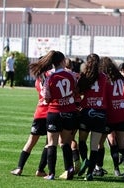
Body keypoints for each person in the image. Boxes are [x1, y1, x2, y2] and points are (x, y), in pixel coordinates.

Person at [30, 50, 78, 180]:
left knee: (52, 143)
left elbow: (46, 98)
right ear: (63, 61)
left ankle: (51, 173)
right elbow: (76, 90)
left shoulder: (50, 77)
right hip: (69, 112)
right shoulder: (72, 75)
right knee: (66, 143)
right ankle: (69, 170)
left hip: (54, 112)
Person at [93, 57, 124, 180]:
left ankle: (98, 168)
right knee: (123, 143)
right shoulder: (120, 79)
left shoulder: (105, 79)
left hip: (109, 114)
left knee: (100, 143)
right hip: (122, 113)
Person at [10, 57, 51, 176]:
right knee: (49, 143)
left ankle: (19, 168)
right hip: (50, 112)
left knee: (30, 142)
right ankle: (40, 170)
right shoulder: (51, 76)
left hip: (39, 113)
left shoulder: (38, 79)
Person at [76, 53, 108, 181]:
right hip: (101, 113)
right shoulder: (104, 77)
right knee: (95, 145)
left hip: (87, 111)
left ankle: (85, 160)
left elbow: (78, 91)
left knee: (82, 141)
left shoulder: (85, 75)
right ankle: (89, 174)